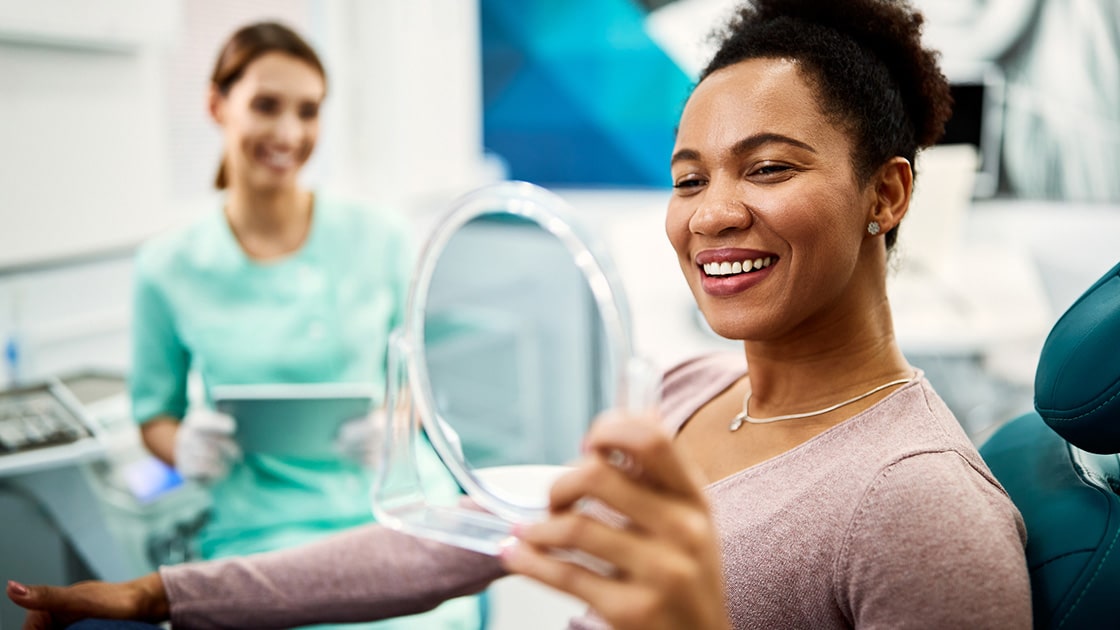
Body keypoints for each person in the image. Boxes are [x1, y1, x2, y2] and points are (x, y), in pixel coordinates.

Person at [6, 2, 1031, 628]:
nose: (713, 213)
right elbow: (445, 546)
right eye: (685, 178)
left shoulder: (919, 510)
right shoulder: (684, 398)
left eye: (767, 167)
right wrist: (166, 596)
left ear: (886, 195)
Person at [80, 20, 481, 630]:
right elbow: (154, 416)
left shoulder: (380, 239)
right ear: (217, 105)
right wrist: (183, 447)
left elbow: (417, 389)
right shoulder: (169, 266)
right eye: (266, 106)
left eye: (308, 111)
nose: (289, 133)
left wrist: (391, 428)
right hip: (257, 528)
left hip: (393, 509)